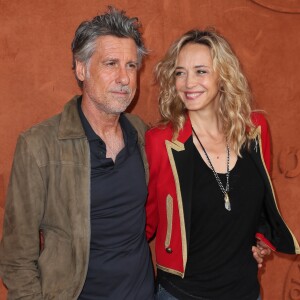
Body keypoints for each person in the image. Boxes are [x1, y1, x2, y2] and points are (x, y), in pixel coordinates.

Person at [0, 6, 154, 299]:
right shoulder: (39, 146)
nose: (125, 79)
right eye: (111, 64)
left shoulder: (143, 134)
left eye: (131, 65)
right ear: (82, 69)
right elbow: (17, 257)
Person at [145, 28, 300, 300]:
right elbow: (145, 221)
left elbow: (259, 201)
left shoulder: (254, 130)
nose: (188, 82)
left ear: (223, 76)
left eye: (201, 71)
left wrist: (261, 241)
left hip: (245, 292)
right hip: (182, 293)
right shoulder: (161, 142)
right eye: (180, 72)